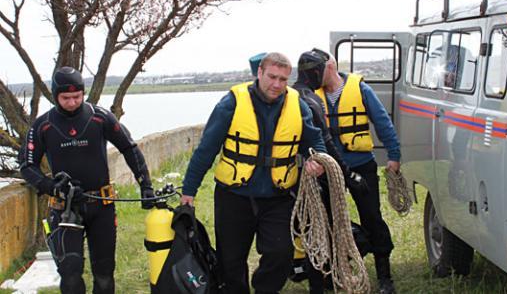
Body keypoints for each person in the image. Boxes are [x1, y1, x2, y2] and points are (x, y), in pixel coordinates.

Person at [180, 52, 326, 294]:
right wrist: (189, 190)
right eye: (272, 77)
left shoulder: (297, 104)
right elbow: (206, 150)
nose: (277, 84)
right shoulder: (231, 103)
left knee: (281, 254)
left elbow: (315, 142)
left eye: (283, 79)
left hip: (278, 197)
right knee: (231, 261)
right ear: (259, 73)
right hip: (234, 197)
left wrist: (318, 161)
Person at [19, 67, 155, 294]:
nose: (72, 102)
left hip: (101, 206)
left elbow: (129, 148)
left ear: (83, 93)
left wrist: (146, 185)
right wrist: (51, 187)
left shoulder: (99, 117)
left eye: (77, 97)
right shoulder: (43, 125)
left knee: (104, 275)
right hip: (65, 207)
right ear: (55, 96)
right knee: (70, 274)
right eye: (66, 98)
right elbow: (27, 165)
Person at [304, 49, 401, 294]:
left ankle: (384, 276)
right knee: (328, 219)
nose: (314, 75)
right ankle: (334, 271)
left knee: (372, 217)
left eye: (318, 69)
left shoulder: (360, 89)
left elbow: (382, 122)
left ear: (331, 66)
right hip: (328, 169)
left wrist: (394, 155)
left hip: (360, 166)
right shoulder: (311, 96)